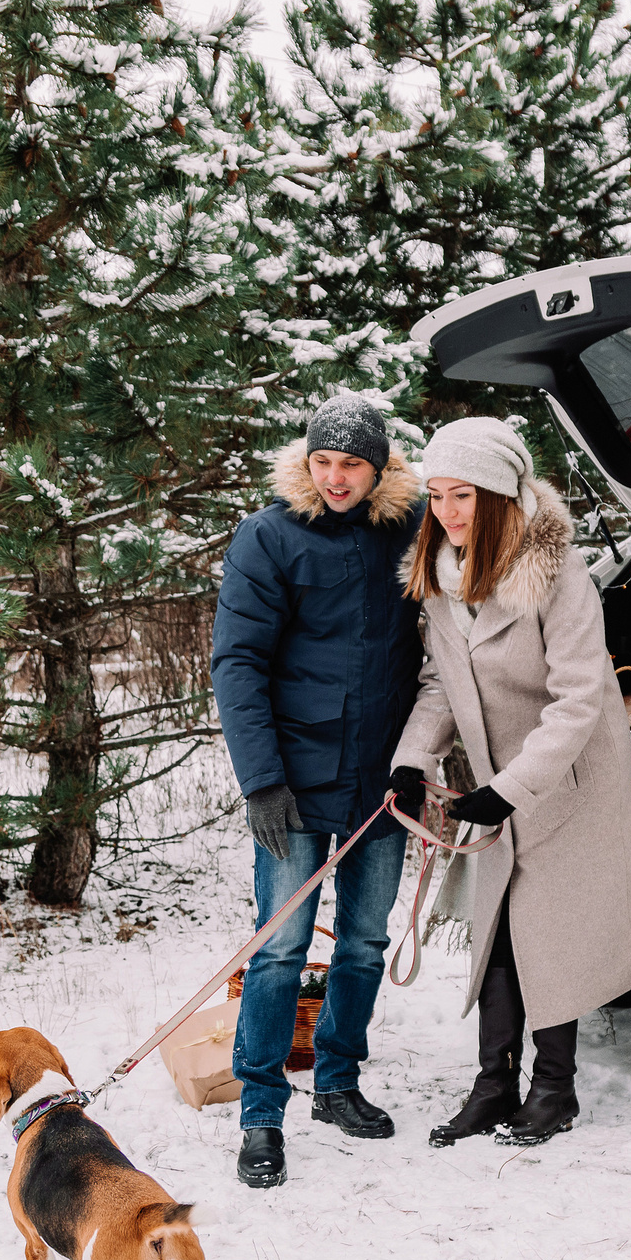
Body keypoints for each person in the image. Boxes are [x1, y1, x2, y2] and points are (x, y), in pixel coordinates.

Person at [387, 418, 631, 1147]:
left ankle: (554, 1090)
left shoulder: (560, 577)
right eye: (437, 495)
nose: (446, 512)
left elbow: (579, 700)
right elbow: (440, 683)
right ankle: (492, 1087)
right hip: (496, 781)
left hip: (567, 777)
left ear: (502, 493)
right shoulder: (443, 575)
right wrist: (413, 763)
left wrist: (509, 789)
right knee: (496, 931)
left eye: (463, 495)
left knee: (548, 932)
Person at [211, 395, 425, 1189]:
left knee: (364, 941)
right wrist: (261, 781)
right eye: (323, 462)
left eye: (352, 464)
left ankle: (336, 1082)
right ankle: (261, 1110)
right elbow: (237, 665)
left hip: (384, 778)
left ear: (380, 468)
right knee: (279, 949)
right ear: (307, 462)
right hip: (293, 781)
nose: (335, 478)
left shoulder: (410, 530)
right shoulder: (268, 538)